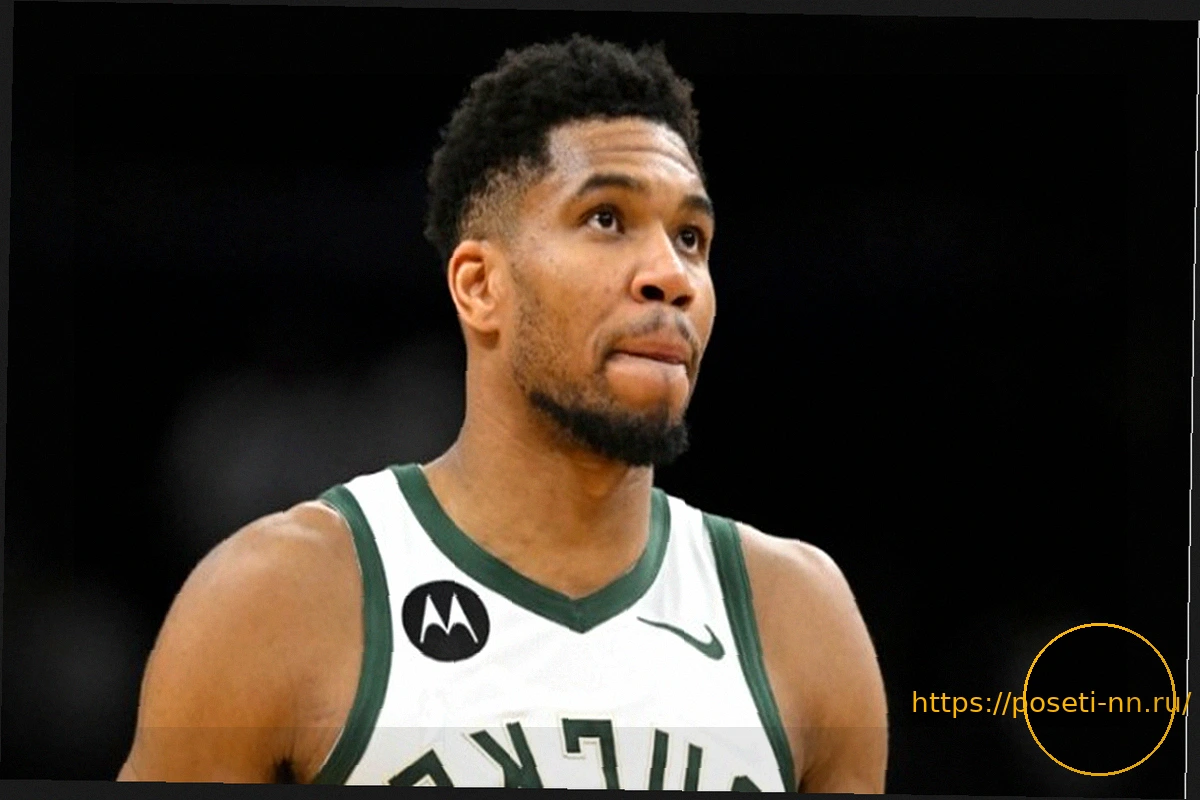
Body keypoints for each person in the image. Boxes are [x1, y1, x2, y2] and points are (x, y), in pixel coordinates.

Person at [118, 35, 888, 791]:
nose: (671, 274)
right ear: (480, 286)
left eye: (691, 237)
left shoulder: (798, 620)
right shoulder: (280, 599)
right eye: (607, 219)